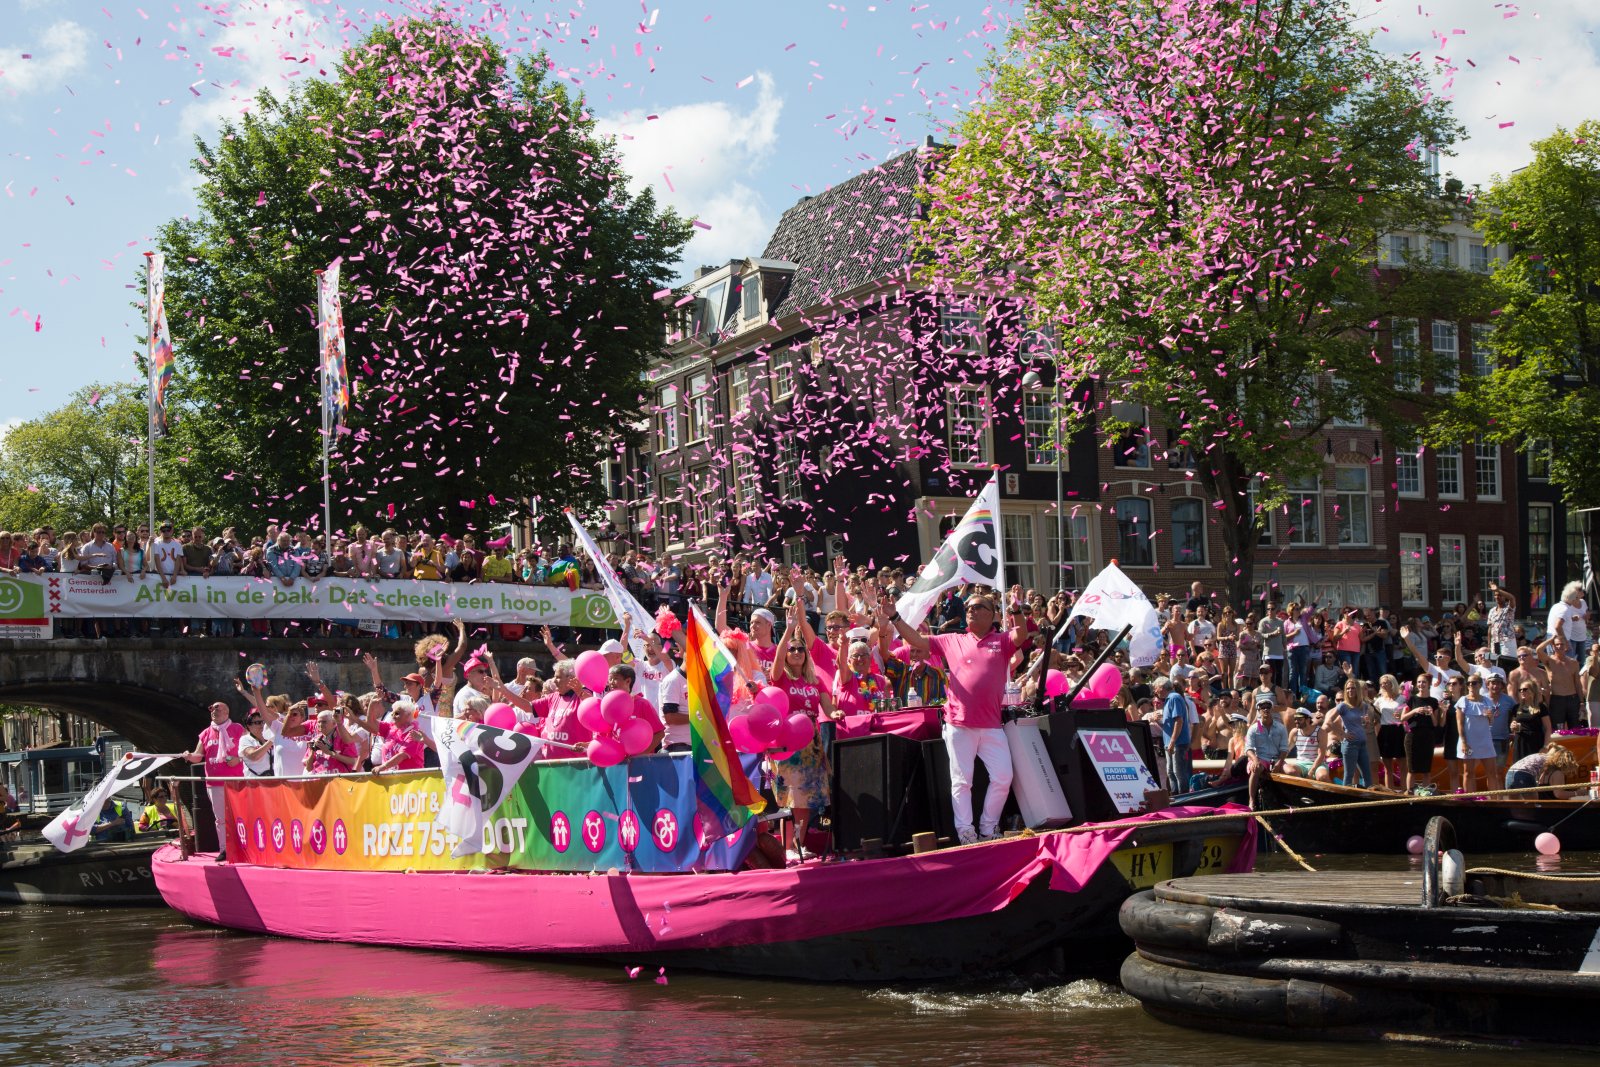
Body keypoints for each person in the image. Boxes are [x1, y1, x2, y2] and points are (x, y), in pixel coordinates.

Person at [882, 590, 1028, 845]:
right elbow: (915, 638)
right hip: (959, 724)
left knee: (1004, 777)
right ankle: (966, 833)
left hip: (992, 725)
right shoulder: (952, 639)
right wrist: (894, 616)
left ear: (992, 615)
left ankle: (988, 827)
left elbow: (1022, 635)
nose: (970, 609)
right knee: (962, 782)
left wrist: (1016, 610)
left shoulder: (1001, 641)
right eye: (969, 606)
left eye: (978, 605)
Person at [769, 638, 838, 862]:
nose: (797, 652)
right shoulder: (781, 679)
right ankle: (787, 847)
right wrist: (787, 631)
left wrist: (835, 713)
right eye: (792, 649)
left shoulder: (815, 681)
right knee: (792, 797)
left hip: (812, 743)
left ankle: (799, 844)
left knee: (806, 799)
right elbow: (777, 660)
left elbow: (828, 707)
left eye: (801, 649)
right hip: (790, 743)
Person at [181, 700, 247, 857]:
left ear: (227, 712)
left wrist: (238, 758)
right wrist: (189, 756)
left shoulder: (238, 729)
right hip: (214, 782)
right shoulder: (205, 733)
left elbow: (249, 750)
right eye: (212, 709)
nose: (214, 711)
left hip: (235, 779)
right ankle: (225, 849)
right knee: (220, 818)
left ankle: (244, 846)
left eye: (218, 708)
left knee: (239, 814)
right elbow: (198, 756)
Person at [1455, 674, 1503, 794]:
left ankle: (1494, 801)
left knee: (1492, 772)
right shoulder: (1463, 700)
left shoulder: (1487, 700)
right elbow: (1460, 724)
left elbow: (1490, 722)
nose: (1471, 685)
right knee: (1469, 772)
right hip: (1469, 741)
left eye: (1474, 683)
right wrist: (1464, 743)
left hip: (1485, 740)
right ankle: (1470, 799)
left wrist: (1490, 716)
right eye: (1469, 683)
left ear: (1480, 685)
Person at [1243, 693, 1290, 808]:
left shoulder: (1281, 727)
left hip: (1277, 759)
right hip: (1260, 759)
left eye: (1268, 707)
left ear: (1272, 709)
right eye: (1262, 707)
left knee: (1292, 770)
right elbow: (1248, 749)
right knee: (1256, 768)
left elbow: (1284, 748)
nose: (1265, 709)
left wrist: (1279, 762)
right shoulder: (1253, 729)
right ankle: (1251, 800)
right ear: (1258, 710)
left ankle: (1291, 799)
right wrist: (1255, 760)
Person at [1326, 679, 1374, 789]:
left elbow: (1365, 726)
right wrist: (1342, 733)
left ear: (1357, 689)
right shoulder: (1343, 706)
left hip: (1362, 744)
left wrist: (1366, 723)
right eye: (1347, 688)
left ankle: (1368, 800)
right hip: (1350, 744)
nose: (1350, 690)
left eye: (1352, 688)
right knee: (1348, 776)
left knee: (1367, 776)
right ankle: (1345, 801)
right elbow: (1329, 720)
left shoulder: (1363, 706)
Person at [1401, 673, 1442, 794]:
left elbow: (1435, 723)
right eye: (1419, 682)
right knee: (1412, 768)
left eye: (1423, 682)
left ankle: (1426, 793)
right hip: (1413, 736)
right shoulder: (1411, 699)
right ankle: (1410, 793)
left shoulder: (1434, 701)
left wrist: (1430, 714)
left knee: (1426, 769)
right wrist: (1415, 710)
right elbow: (1402, 718)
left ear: (1429, 684)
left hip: (1428, 736)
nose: (1421, 684)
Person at [1506, 743, 1583, 799]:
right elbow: (1559, 794)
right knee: (1534, 806)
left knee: (1515, 806)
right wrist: (1577, 793)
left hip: (1510, 773)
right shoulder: (1550, 762)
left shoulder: (1541, 758)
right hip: (1524, 775)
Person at [1156, 676, 1191, 792]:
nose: (1155, 691)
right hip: (1171, 743)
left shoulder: (1174, 698)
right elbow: (1170, 724)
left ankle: (1184, 797)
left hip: (1177, 743)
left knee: (1178, 772)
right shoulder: (1169, 700)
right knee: (1171, 772)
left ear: (1161, 687)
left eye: (1156, 688)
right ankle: (1176, 797)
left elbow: (1178, 721)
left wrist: (1172, 742)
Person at [1510, 680, 1553, 763]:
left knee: (1536, 770)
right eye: (1520, 690)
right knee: (1520, 769)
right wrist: (1512, 726)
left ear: (1533, 691)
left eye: (1525, 689)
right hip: (1520, 743)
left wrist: (1545, 747)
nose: (1522, 691)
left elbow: (1548, 728)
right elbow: (1513, 727)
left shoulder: (1541, 707)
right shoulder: (1516, 708)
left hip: (1535, 742)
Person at [1548, 581, 1590, 663]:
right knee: (1567, 663)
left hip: (1555, 638)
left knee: (1556, 663)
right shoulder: (1565, 609)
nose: (1576, 600)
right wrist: (1565, 642)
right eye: (1575, 598)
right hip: (1561, 639)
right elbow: (1557, 626)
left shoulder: (1556, 606)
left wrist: (1571, 619)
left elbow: (1560, 621)